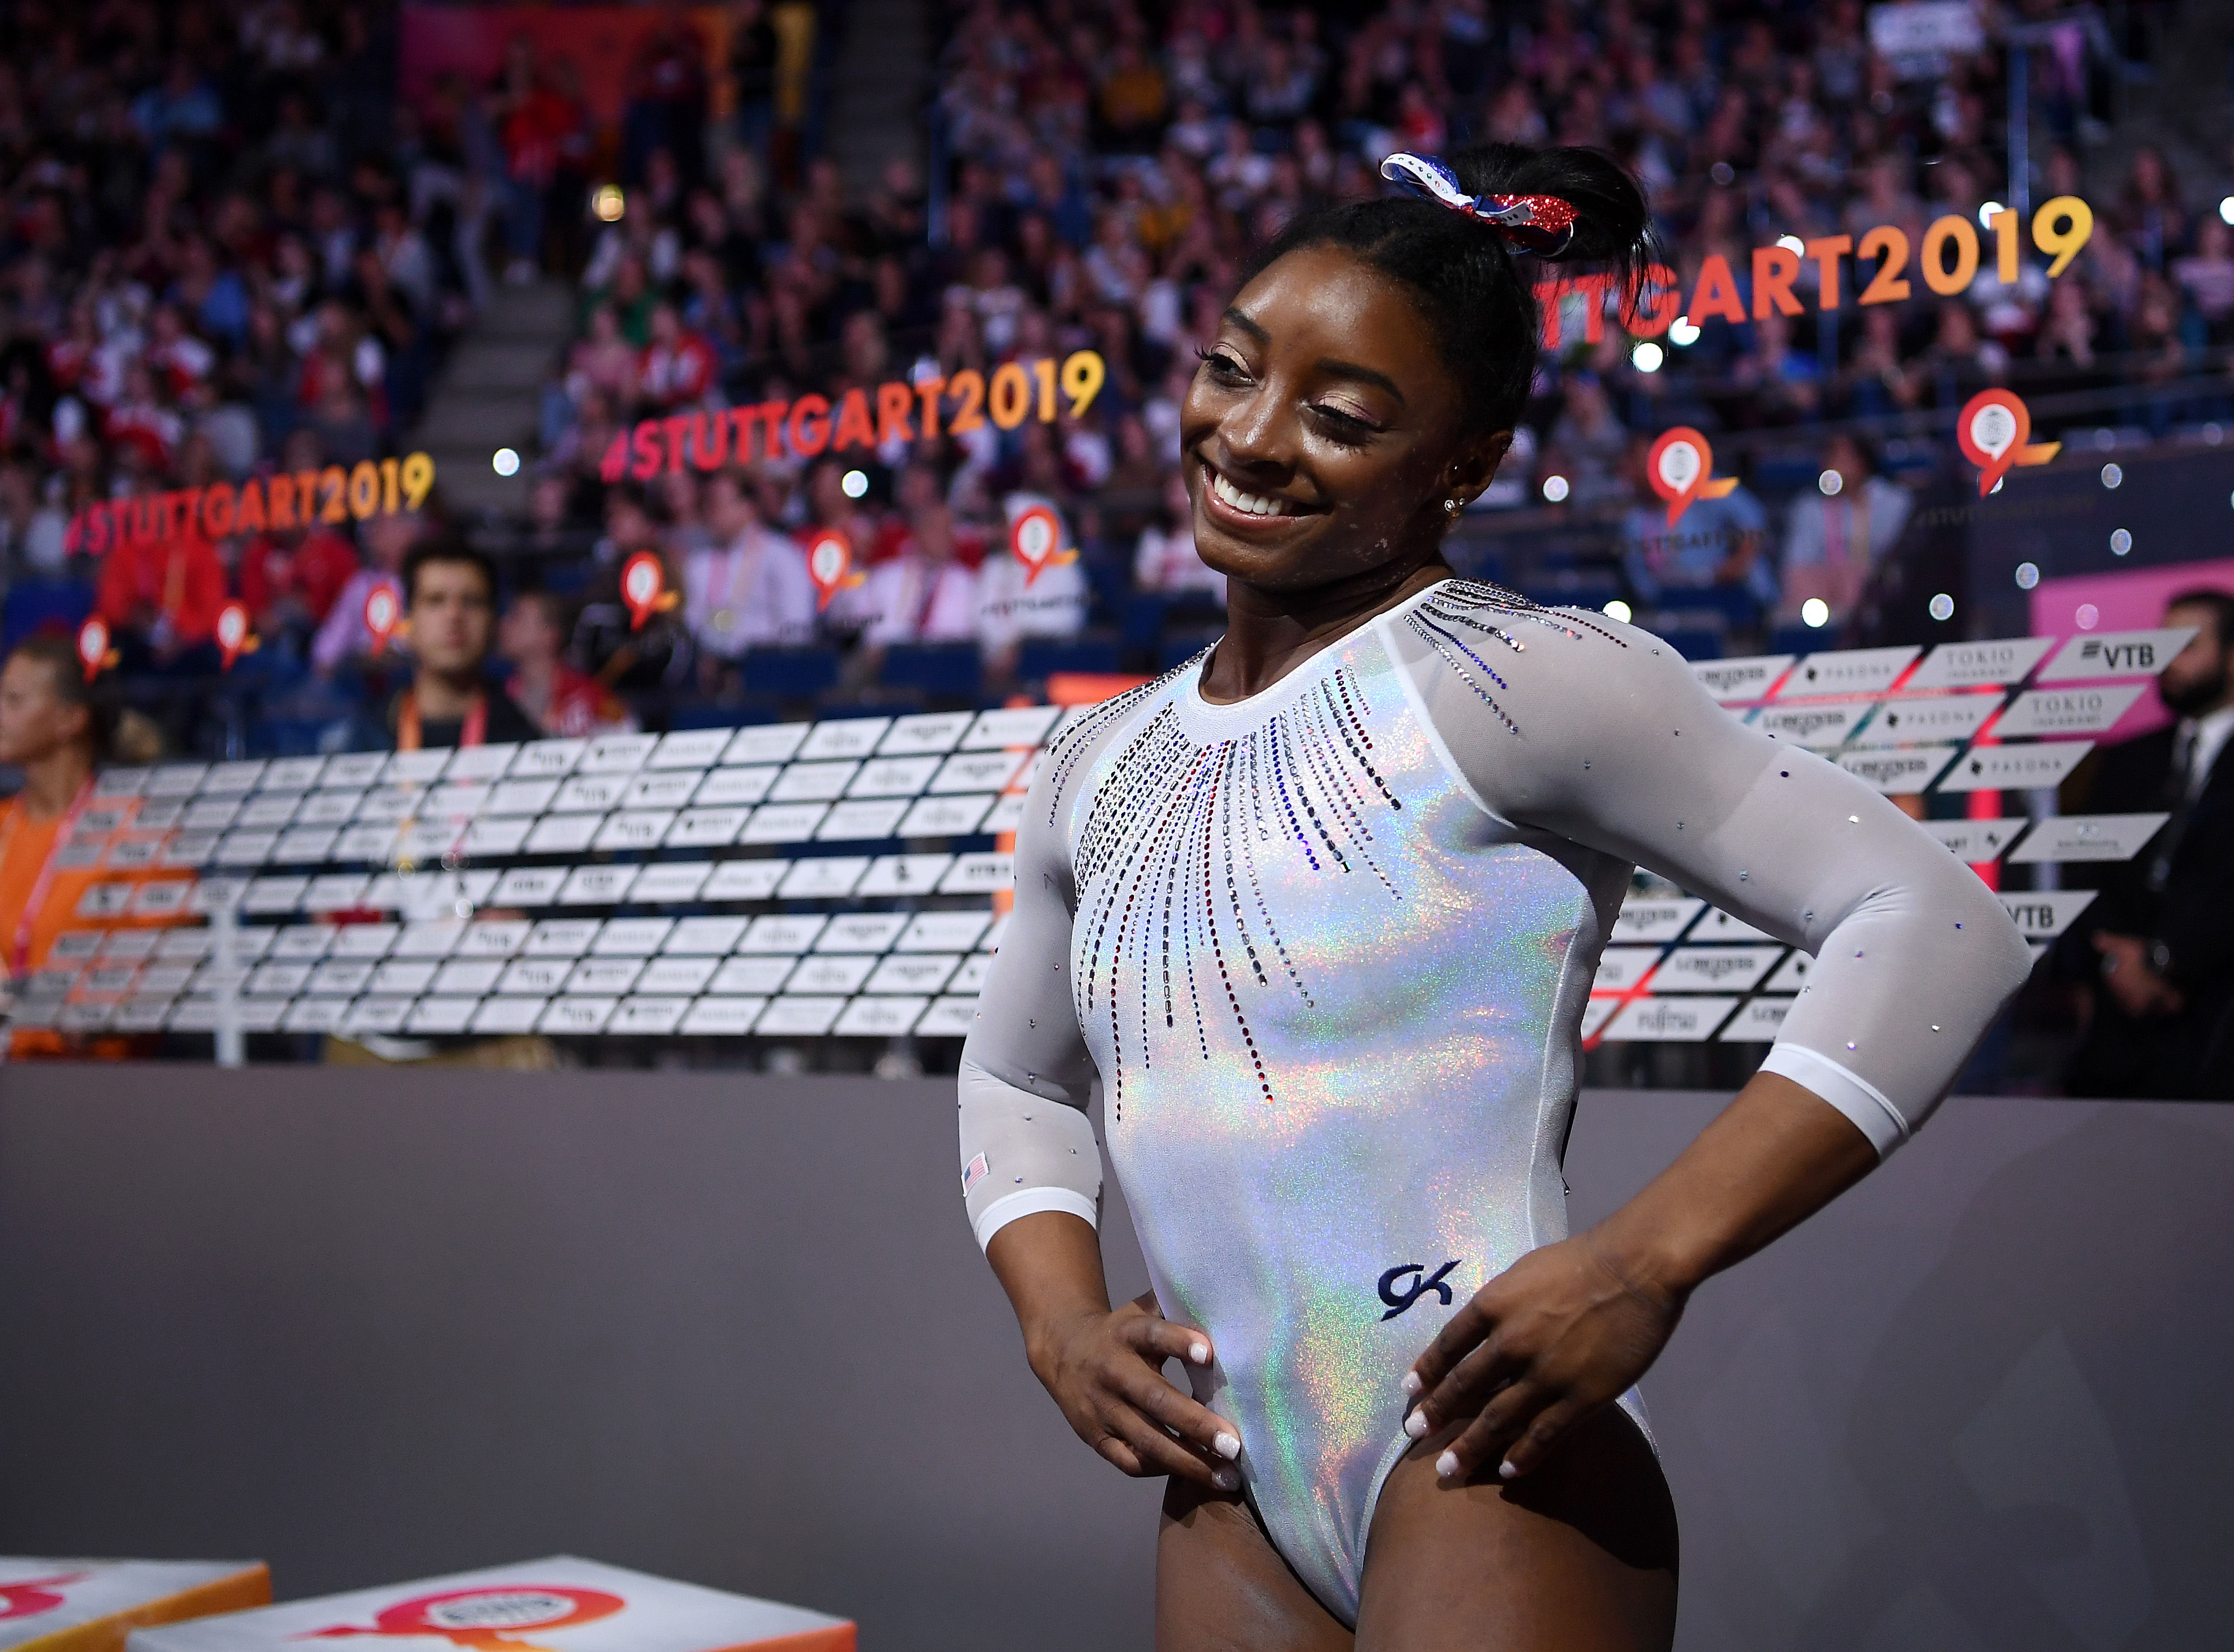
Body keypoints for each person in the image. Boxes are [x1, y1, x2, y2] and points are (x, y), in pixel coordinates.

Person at [956, 144, 2032, 1650]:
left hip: (1479, 1448)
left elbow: (1935, 923)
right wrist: (1056, 1320)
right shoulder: (1098, 754)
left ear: (1459, 463)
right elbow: (1014, 1072)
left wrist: (1643, 1257)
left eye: (1340, 417)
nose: (1252, 435)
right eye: (1229, 370)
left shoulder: (1518, 680)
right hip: (1228, 1483)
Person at [2062, 590, 2234, 1100]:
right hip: (2119, 1047)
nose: (2167, 661)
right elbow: (2085, 871)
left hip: (2215, 1025)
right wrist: (2116, 964)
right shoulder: (2127, 762)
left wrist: (2164, 958)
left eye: (2186, 645)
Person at [380, 537, 540, 749]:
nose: (454, 615)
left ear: (493, 623)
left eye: (471, 601)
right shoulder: (363, 741)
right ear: (406, 624)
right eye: (435, 600)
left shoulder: (525, 744)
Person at [1774, 434, 1911, 631]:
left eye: (1843, 460)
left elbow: (1901, 560)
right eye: (1830, 460)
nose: (1835, 468)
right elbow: (1796, 567)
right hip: (1827, 608)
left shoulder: (1895, 502)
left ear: (1863, 463)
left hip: (1883, 602)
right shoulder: (1808, 508)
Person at [684, 467, 816, 658]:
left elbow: (797, 627)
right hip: (711, 668)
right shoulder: (700, 562)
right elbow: (693, 623)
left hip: (768, 668)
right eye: (707, 505)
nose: (711, 513)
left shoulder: (781, 556)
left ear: (748, 507)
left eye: (719, 505)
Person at [499, 589, 634, 737]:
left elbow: (628, 732)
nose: (504, 624)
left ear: (550, 634)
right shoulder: (500, 697)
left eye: (516, 616)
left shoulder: (587, 696)